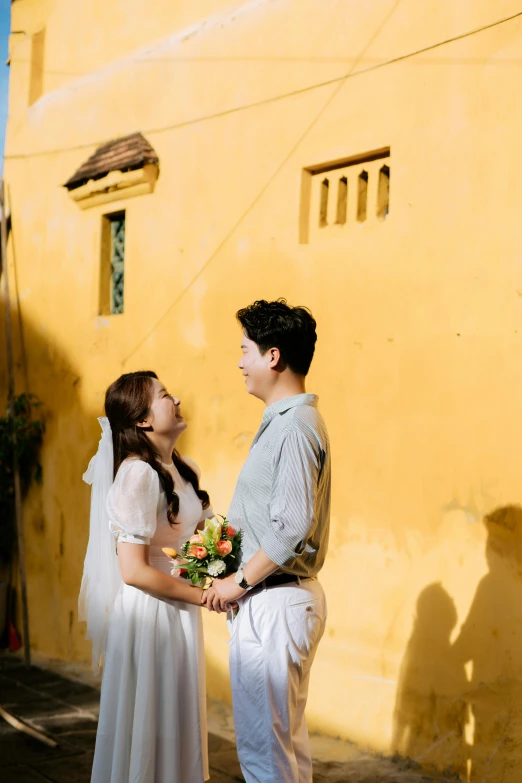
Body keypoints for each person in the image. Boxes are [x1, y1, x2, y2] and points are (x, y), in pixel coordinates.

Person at [203, 299, 331, 783]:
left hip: (274, 601)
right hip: (277, 601)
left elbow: (293, 524)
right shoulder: (286, 423)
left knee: (265, 755)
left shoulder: (294, 427)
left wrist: (237, 583)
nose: (240, 363)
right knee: (282, 751)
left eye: (245, 351)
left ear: (272, 356)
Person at [79, 370, 214, 783]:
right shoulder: (137, 474)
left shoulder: (185, 468)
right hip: (149, 617)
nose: (175, 400)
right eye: (164, 395)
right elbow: (134, 570)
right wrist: (203, 596)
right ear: (141, 420)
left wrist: (215, 566)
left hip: (179, 611)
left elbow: (202, 541)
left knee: (175, 724)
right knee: (148, 726)